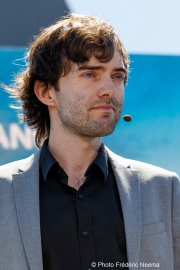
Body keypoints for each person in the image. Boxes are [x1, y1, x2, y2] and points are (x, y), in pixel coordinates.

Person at [0, 13, 180, 270]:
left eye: (117, 76)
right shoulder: (3, 193)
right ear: (45, 91)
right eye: (89, 74)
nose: (109, 89)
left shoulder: (165, 190)